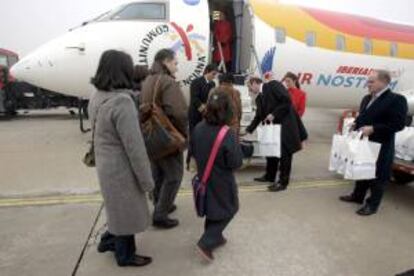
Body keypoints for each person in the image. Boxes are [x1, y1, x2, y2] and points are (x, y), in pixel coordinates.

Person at [88, 50, 154, 267]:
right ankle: (125, 255)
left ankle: (108, 241)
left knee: (116, 207)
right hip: (121, 168)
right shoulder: (122, 102)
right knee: (127, 210)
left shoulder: (97, 97)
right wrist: (147, 181)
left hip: (106, 165)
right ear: (124, 71)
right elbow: (134, 148)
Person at [339, 70, 408, 216]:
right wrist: (355, 124)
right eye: (368, 81)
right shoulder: (366, 98)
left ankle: (372, 205)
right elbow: (363, 117)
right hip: (364, 143)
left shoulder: (396, 99)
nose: (367, 84)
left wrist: (374, 129)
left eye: (371, 81)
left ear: (383, 82)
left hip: (381, 145)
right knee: (361, 169)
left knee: (378, 175)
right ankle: (357, 196)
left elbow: (398, 124)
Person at [191, 90, 243, 262]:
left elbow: (194, 151)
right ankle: (206, 242)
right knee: (230, 209)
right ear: (228, 110)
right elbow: (235, 162)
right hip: (222, 180)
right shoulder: (227, 133)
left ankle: (216, 237)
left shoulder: (198, 128)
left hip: (203, 177)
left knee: (212, 209)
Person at [140, 49, 188, 229]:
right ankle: (160, 214)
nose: (177, 66)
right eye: (175, 62)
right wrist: (182, 135)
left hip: (152, 134)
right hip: (167, 135)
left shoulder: (148, 80)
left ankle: (161, 202)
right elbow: (178, 113)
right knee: (174, 176)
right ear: (166, 62)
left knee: (158, 172)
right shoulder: (167, 82)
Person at [246, 76, 307, 192]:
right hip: (272, 128)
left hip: (285, 125)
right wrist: (249, 130)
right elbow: (259, 116)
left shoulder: (273, 85)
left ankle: (283, 182)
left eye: (249, 86)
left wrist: (274, 114)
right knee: (271, 153)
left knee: (285, 154)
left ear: (254, 83)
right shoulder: (259, 98)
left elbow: (287, 100)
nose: (249, 90)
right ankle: (270, 176)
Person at [187, 64, 218, 169]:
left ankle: (201, 161)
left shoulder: (213, 84)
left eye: (215, 75)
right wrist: (203, 109)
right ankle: (190, 161)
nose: (214, 76)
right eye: (213, 74)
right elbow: (194, 99)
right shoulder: (196, 82)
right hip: (195, 114)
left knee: (204, 139)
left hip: (206, 115)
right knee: (193, 137)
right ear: (207, 71)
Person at [218, 73, 242, 138]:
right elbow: (239, 111)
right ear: (231, 82)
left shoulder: (213, 91)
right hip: (232, 125)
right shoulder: (236, 92)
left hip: (217, 125)